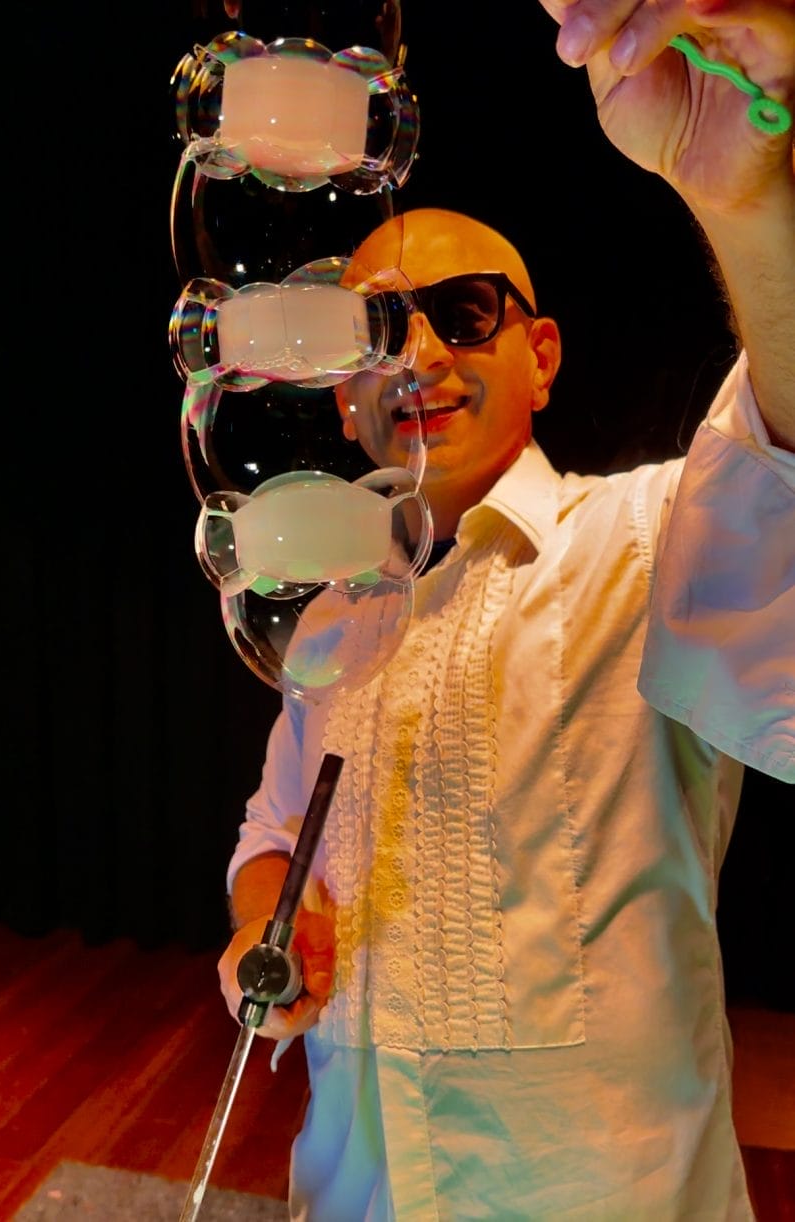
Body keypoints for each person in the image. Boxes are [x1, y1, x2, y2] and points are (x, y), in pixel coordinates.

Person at [219, 1, 794, 1217]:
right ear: (341, 398)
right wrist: (267, 919)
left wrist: (750, 202)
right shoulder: (326, 621)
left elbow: (783, 465)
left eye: (465, 312)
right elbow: (273, 827)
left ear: (540, 354)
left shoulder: (646, 543)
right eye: (376, 330)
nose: (420, 355)